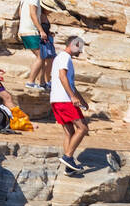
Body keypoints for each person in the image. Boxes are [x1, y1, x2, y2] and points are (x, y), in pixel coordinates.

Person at [50, 36, 90, 174]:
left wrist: (81, 99)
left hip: (57, 100)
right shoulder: (64, 57)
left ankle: (69, 167)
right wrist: (72, 97)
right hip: (64, 100)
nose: (80, 51)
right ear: (74, 44)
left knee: (69, 132)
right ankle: (67, 157)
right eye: (79, 47)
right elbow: (62, 77)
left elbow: (71, 84)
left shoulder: (63, 58)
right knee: (83, 128)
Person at [19, 0, 50, 92]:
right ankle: (30, 82)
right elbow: (33, 14)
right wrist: (41, 30)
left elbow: (20, 14)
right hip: (31, 31)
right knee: (41, 57)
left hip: (25, 30)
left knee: (42, 57)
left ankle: (42, 83)